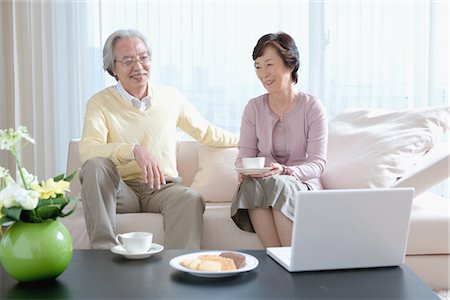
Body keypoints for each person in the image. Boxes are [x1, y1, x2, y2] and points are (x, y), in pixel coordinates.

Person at [79, 29, 238, 250]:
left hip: (163, 188)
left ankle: (177, 270)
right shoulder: (99, 103)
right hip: (121, 191)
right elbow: (87, 150)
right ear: (113, 68)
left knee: (190, 197)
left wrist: (250, 141)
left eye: (143, 57)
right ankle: (103, 255)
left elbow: (207, 132)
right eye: (127, 61)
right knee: (95, 166)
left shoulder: (171, 97)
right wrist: (133, 150)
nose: (138, 66)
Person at [231, 32, 328, 248]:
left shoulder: (312, 107)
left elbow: (318, 164)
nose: (263, 73)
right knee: (253, 186)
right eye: (258, 66)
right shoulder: (253, 108)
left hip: (302, 185)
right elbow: (243, 157)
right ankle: (276, 262)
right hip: (265, 184)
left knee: (279, 184)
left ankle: (291, 264)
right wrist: (246, 170)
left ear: (290, 64)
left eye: (269, 64)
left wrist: (287, 171)